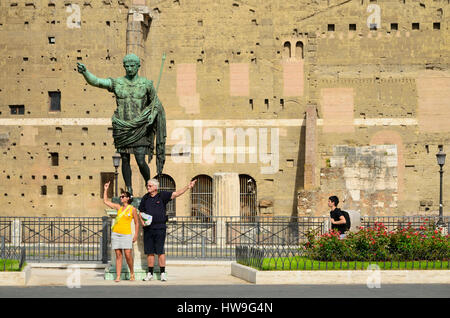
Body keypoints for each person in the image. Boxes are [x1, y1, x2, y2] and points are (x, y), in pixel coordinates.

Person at [77, 54, 166, 196]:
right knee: (124, 158)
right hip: (122, 127)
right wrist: (85, 72)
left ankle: (148, 184)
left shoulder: (146, 84)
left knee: (140, 159)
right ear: (124, 67)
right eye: (127, 66)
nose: (130, 69)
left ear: (138, 66)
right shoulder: (117, 83)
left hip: (140, 127)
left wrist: (152, 115)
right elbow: (97, 82)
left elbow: (156, 105)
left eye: (132, 66)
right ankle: (129, 189)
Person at [139, 178, 197, 281]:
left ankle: (162, 273)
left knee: (160, 251)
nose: (148, 187)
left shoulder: (162, 195)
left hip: (160, 227)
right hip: (148, 229)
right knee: (150, 252)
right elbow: (140, 211)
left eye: (150, 186)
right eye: (147, 186)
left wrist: (188, 187)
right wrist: (142, 222)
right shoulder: (145, 198)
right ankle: (150, 273)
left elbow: (176, 194)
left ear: (155, 187)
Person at [103, 181, 139, 282]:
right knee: (118, 255)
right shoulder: (118, 207)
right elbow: (106, 201)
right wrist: (105, 189)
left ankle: (132, 273)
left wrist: (135, 235)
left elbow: (136, 223)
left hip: (126, 234)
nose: (121, 198)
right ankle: (118, 276)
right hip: (116, 234)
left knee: (128, 254)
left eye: (123, 196)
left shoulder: (132, 209)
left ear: (128, 198)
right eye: (121, 197)